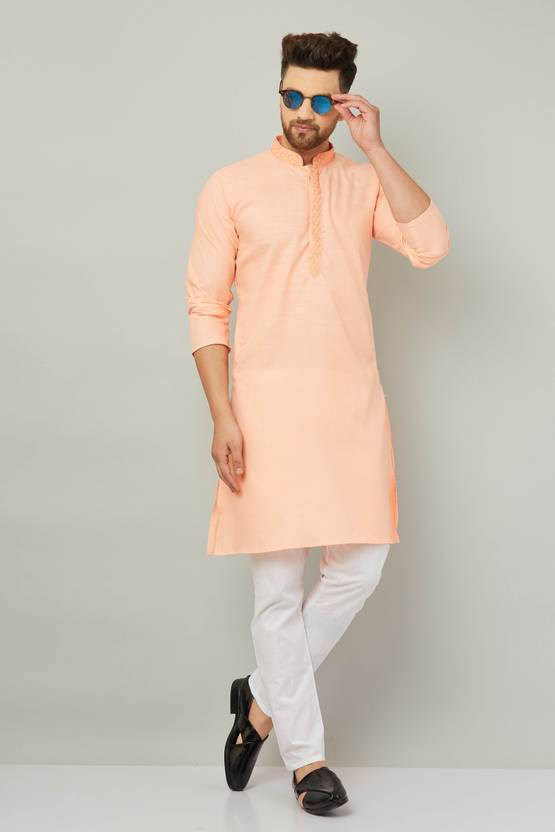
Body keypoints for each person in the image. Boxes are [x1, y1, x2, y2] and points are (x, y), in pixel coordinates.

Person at [184, 31, 451, 815]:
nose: (303, 112)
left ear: (342, 103)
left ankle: (259, 705)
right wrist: (222, 414)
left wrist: (376, 148)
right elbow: (205, 307)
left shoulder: (362, 186)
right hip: (263, 412)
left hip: (349, 408)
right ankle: (307, 763)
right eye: (291, 95)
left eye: (319, 100)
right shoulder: (230, 187)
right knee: (276, 592)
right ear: (279, 93)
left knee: (358, 568)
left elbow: (431, 245)